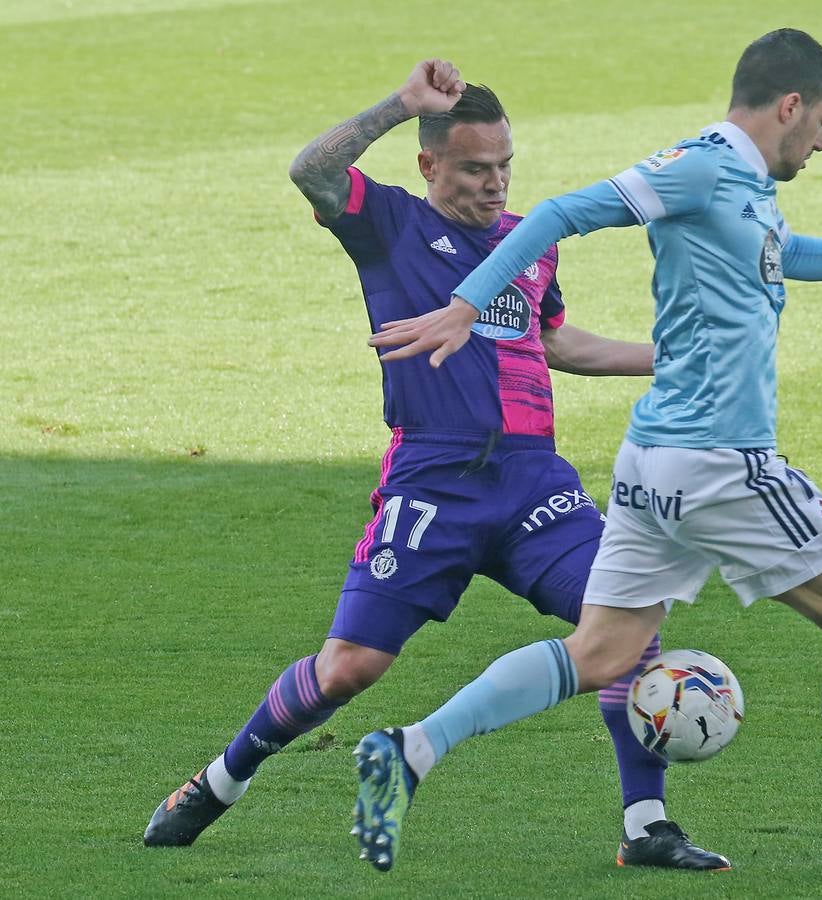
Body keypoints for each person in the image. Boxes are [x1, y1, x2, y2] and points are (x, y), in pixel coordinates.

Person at [357, 29, 822, 871]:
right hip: (719, 459)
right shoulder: (697, 167)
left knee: (602, 653)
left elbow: (784, 253)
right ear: (790, 105)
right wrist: (467, 303)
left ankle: (411, 750)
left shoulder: (745, 187)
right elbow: (557, 213)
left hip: (653, 464)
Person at [142, 58, 730, 873]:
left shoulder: (532, 242)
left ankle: (645, 826)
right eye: (474, 169)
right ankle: (218, 781)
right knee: (350, 668)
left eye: (504, 166)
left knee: (628, 624)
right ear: (429, 165)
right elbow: (310, 170)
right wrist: (398, 104)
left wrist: (672, 359)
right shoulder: (386, 223)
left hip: (533, 483)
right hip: (432, 482)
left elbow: (556, 343)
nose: (494, 185)